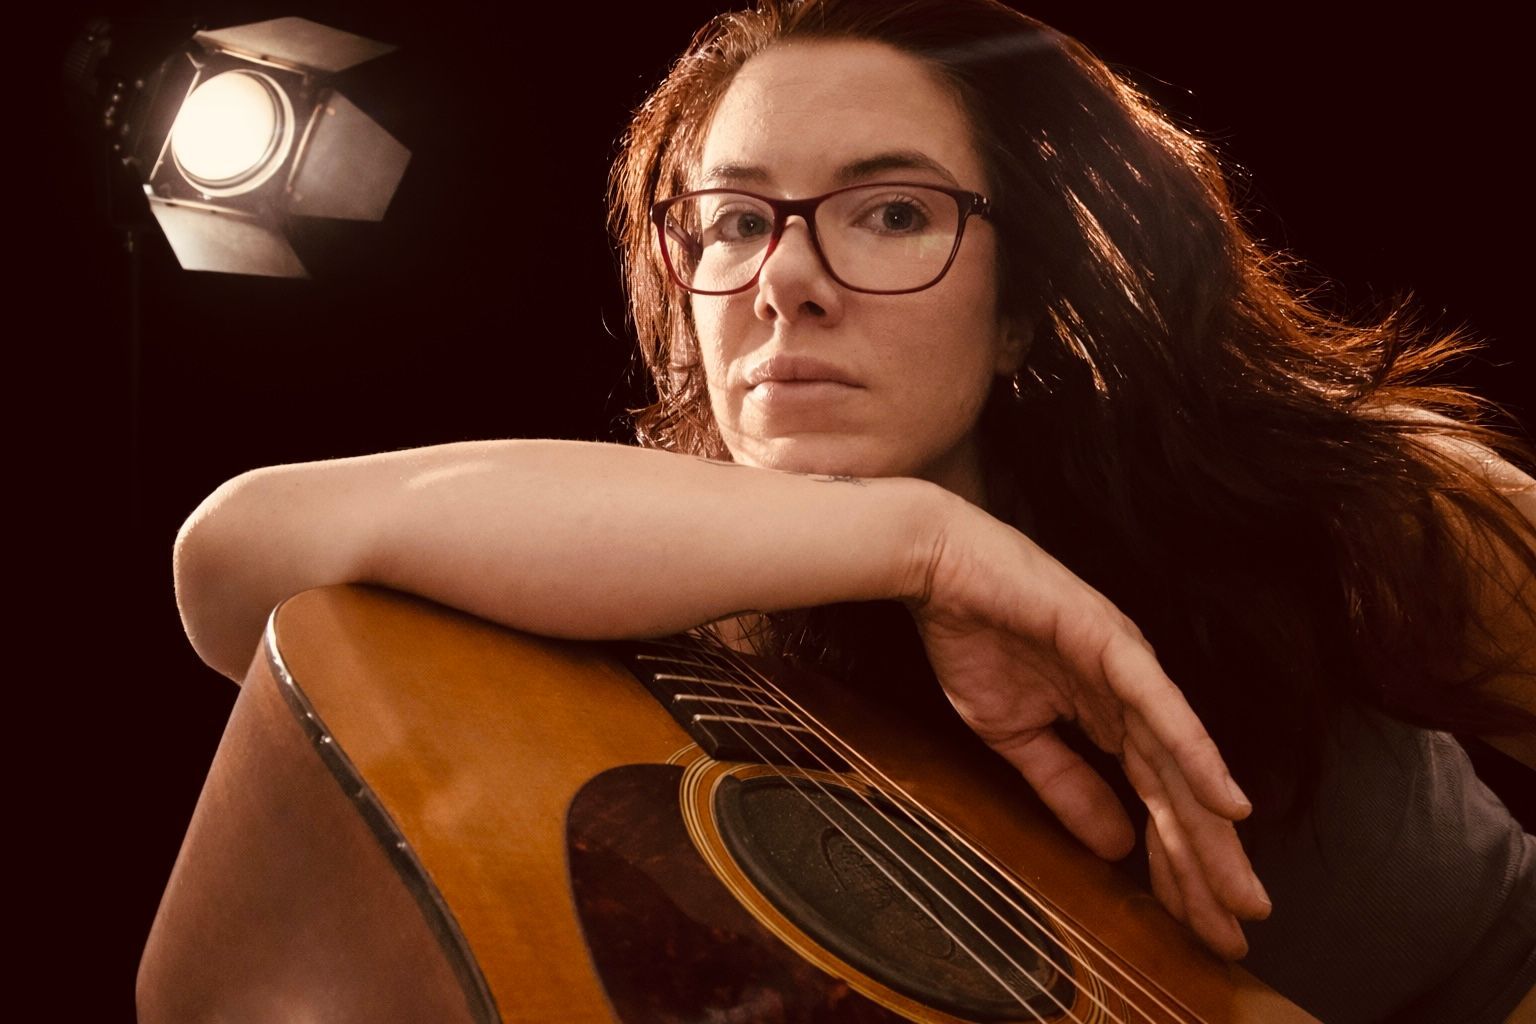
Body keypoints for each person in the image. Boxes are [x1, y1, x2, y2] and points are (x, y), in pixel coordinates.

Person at [172, 0, 1536, 1019]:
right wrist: (921, 543)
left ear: (1019, 311)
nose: (786, 280)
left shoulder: (1333, 493)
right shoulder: (634, 575)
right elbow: (233, 566)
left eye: (888, 213)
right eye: (731, 221)